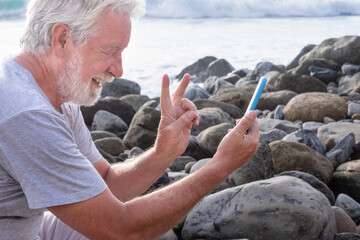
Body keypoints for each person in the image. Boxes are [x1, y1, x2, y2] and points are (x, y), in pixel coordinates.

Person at [0, 0, 260, 239]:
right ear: (62, 39)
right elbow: (120, 229)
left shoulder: (51, 90)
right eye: (110, 51)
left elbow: (106, 181)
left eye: (122, 52)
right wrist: (220, 166)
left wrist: (162, 152)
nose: (119, 69)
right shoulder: (27, 113)